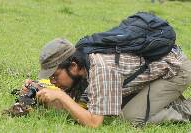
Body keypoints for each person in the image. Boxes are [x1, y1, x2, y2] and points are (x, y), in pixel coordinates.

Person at [26, 38, 191, 128]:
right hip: (152, 71)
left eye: (54, 76)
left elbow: (94, 122)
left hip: (176, 70)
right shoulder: (83, 61)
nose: (52, 82)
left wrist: (61, 96)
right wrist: (38, 88)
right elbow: (83, 102)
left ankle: (184, 109)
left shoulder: (100, 69)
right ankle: (159, 97)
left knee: (129, 118)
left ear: (73, 66)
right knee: (109, 106)